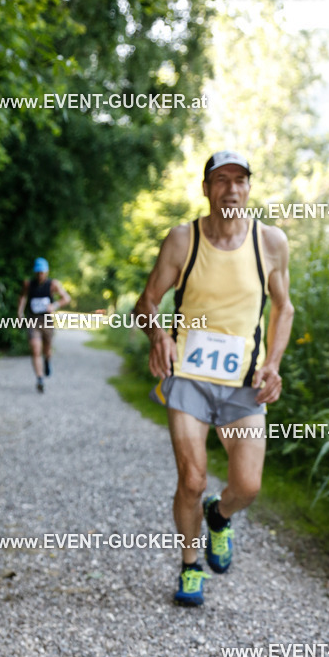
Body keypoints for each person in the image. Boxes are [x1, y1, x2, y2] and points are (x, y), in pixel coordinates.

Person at [134, 151, 294, 606]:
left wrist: (274, 363)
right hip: (187, 377)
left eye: (239, 180)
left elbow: (285, 308)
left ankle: (219, 518)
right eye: (220, 180)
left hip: (243, 381)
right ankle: (189, 566)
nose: (230, 189)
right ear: (206, 189)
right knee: (193, 478)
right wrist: (158, 336)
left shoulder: (270, 243)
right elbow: (145, 304)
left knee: (248, 486)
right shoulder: (184, 241)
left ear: (248, 187)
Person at [16, 258, 71, 392]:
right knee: (35, 349)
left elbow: (66, 298)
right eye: (38, 272)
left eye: (42, 272)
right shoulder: (28, 284)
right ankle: (40, 378)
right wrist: (20, 312)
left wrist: (55, 305)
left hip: (47, 321)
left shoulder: (53, 284)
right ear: (35, 272)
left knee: (47, 350)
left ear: (46, 272)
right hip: (33, 320)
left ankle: (47, 360)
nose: (40, 275)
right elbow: (22, 297)